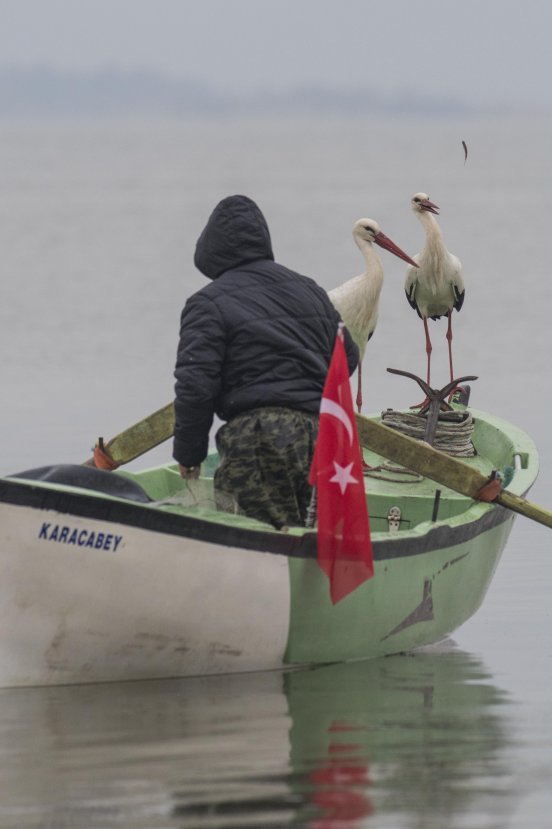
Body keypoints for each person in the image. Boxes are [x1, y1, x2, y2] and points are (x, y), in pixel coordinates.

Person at [173, 194, 359, 529]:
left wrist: (189, 454)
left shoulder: (206, 304)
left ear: (210, 251)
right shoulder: (310, 292)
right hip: (320, 438)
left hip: (256, 438)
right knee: (309, 534)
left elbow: (196, 386)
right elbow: (347, 359)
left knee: (260, 538)